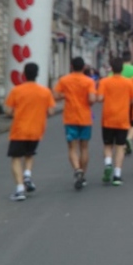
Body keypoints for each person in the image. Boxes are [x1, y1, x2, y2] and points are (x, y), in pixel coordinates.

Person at [4, 62, 56, 201]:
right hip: (36, 130)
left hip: (19, 130)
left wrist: (18, 112)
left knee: (16, 158)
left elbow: (8, 111)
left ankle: (20, 189)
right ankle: (27, 175)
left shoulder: (16, 91)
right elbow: (51, 111)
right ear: (37, 75)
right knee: (29, 154)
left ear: (24, 74)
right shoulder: (45, 92)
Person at [53, 57, 97, 190]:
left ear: (71, 66)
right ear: (83, 68)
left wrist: (66, 96)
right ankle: (82, 175)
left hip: (70, 118)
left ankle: (77, 169)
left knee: (72, 148)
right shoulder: (89, 81)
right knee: (84, 147)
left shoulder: (64, 80)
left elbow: (55, 96)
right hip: (85, 118)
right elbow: (92, 99)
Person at [97, 57, 133, 186]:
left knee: (108, 145)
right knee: (120, 147)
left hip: (108, 118)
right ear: (122, 68)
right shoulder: (129, 83)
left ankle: (108, 163)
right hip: (122, 119)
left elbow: (100, 98)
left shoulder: (104, 82)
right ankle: (117, 175)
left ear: (111, 68)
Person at [113, 50, 133, 155]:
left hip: (116, 102)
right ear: (131, 58)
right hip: (131, 100)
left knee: (119, 124)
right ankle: (128, 138)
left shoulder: (115, 71)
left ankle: (121, 143)